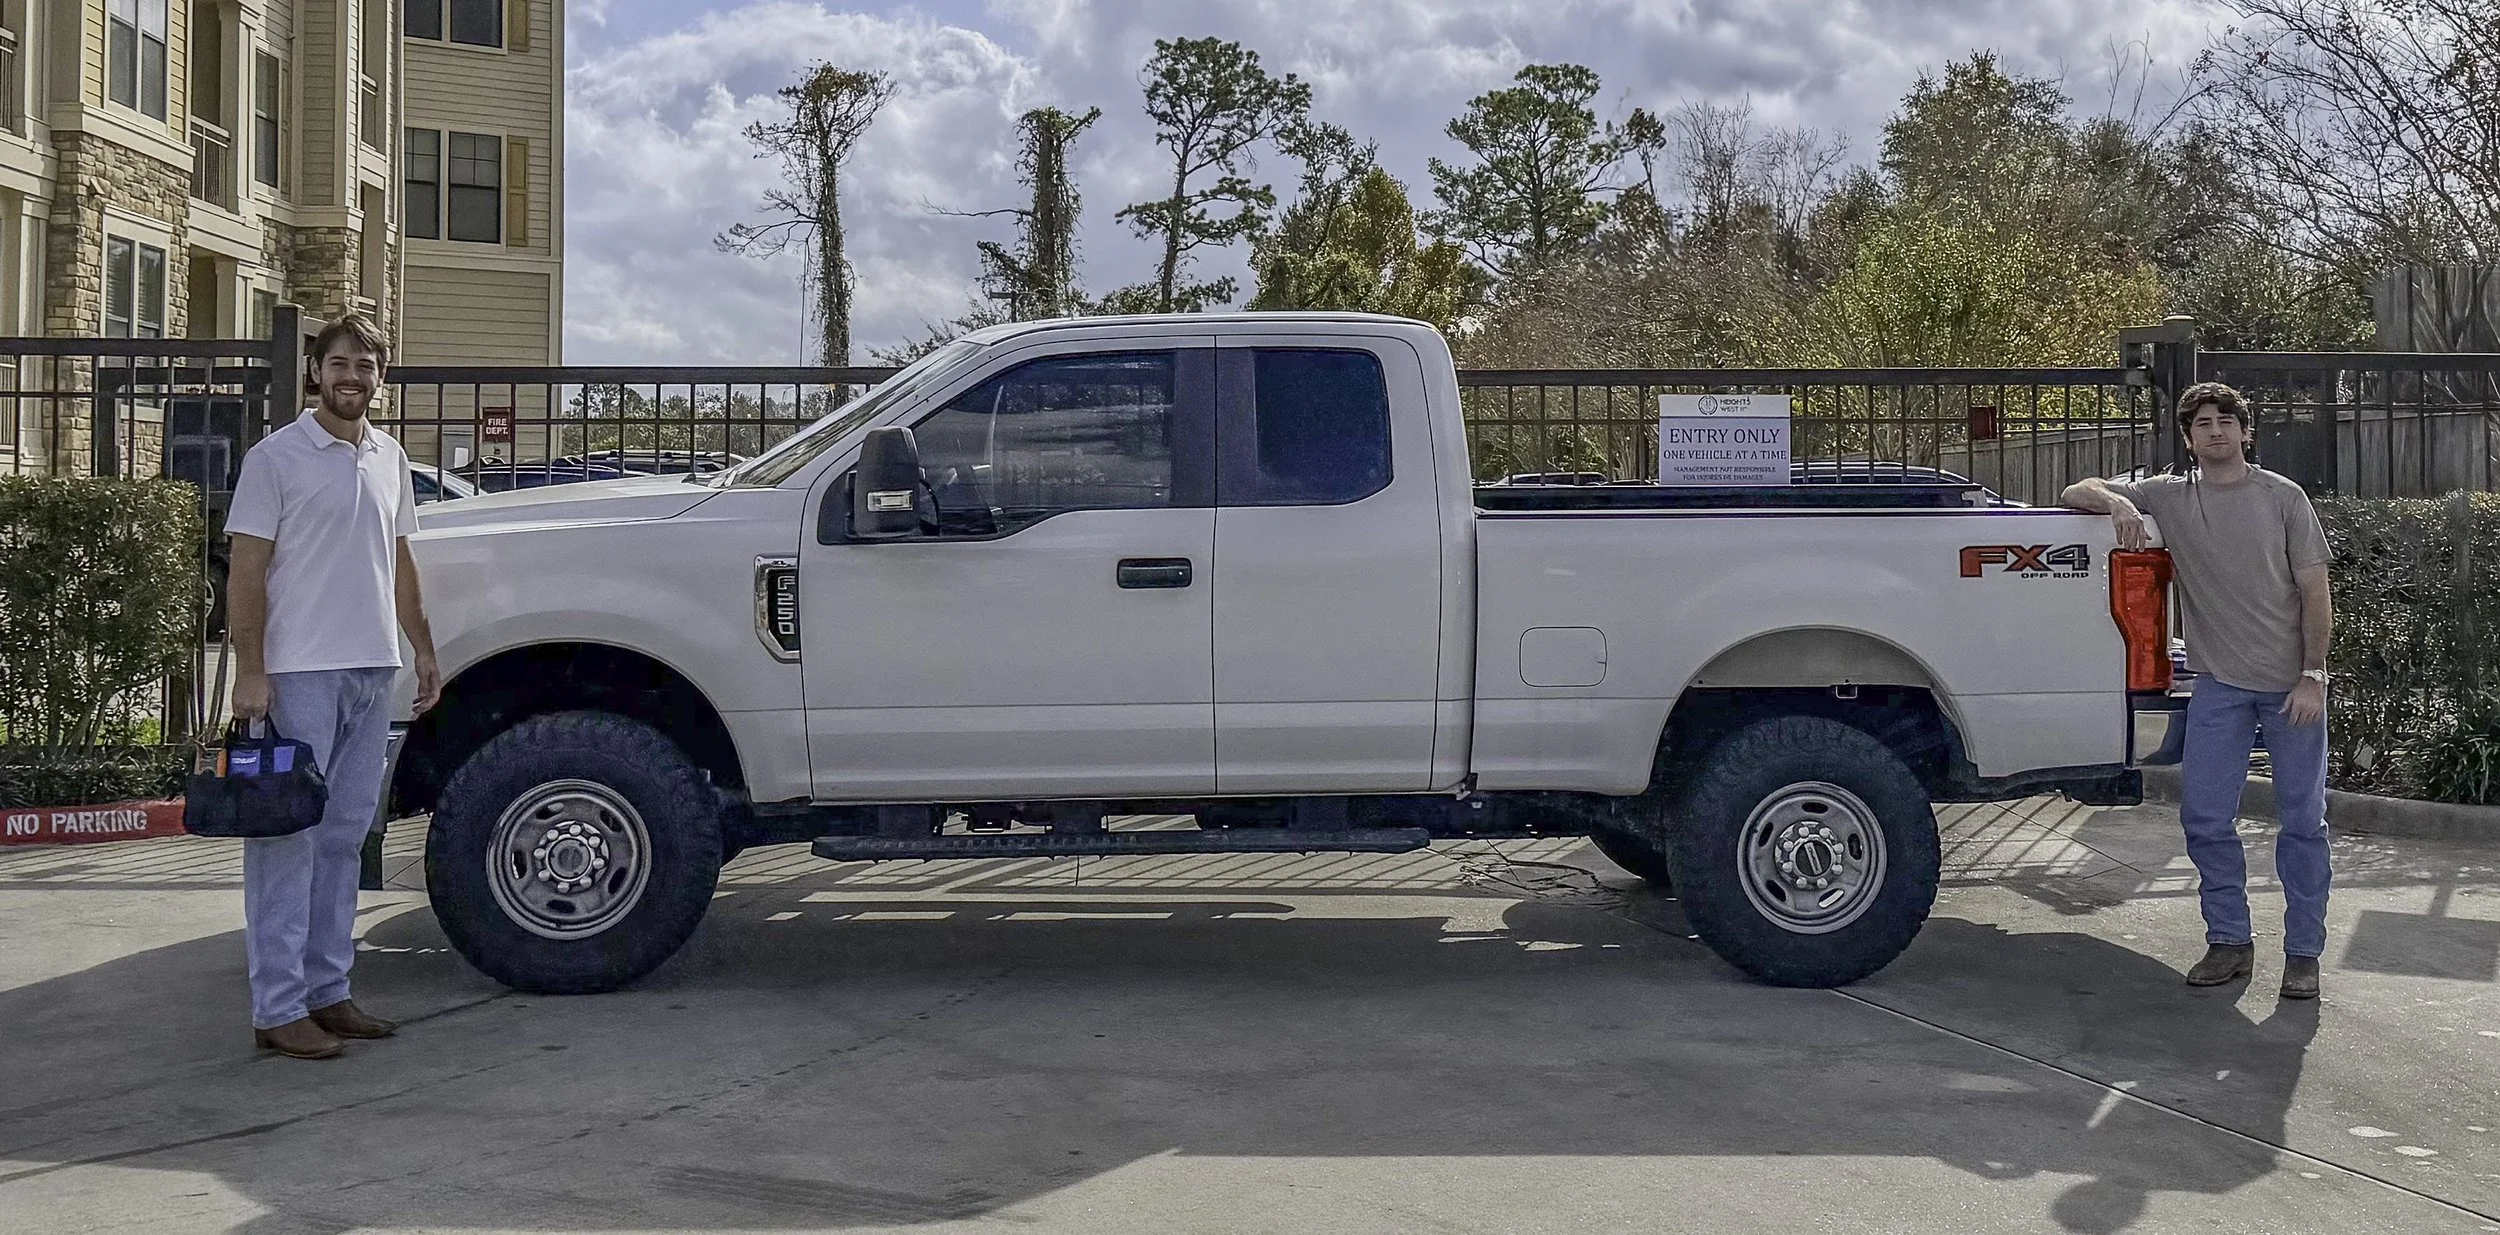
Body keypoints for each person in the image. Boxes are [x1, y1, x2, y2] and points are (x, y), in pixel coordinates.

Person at [2062, 382, 2334, 1000]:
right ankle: (2230, 941)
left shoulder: (2282, 498)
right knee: (2205, 818)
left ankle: (2303, 954)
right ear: (2189, 439)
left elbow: (2316, 591)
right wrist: (2119, 507)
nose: (2215, 431)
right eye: (2203, 424)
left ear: (2246, 431)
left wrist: (2313, 674)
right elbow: (2075, 489)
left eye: (2226, 422)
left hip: (2294, 689)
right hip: (2220, 688)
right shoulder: (2170, 497)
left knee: (2302, 824)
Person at [224, 312, 442, 1058]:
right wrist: (250, 671)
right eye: (339, 363)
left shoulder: (389, 456)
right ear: (315, 370)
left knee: (345, 837)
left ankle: (328, 991)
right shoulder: (275, 458)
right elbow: (246, 573)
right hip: (296, 674)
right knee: (288, 837)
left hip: (370, 669)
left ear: (381, 376)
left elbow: (400, 562)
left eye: (367, 366)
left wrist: (423, 649)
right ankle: (277, 1006)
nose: (353, 377)